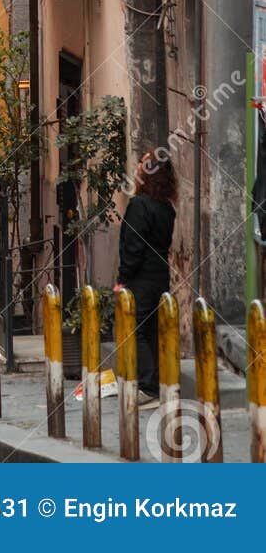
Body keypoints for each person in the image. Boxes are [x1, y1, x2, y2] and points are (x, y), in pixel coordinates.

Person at [116, 148, 177, 406]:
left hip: (141, 278)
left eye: (142, 163)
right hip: (160, 275)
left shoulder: (140, 206)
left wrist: (123, 278)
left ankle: (148, 384)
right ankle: (154, 384)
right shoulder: (166, 208)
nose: (137, 166)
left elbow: (134, 246)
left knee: (134, 329)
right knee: (151, 330)